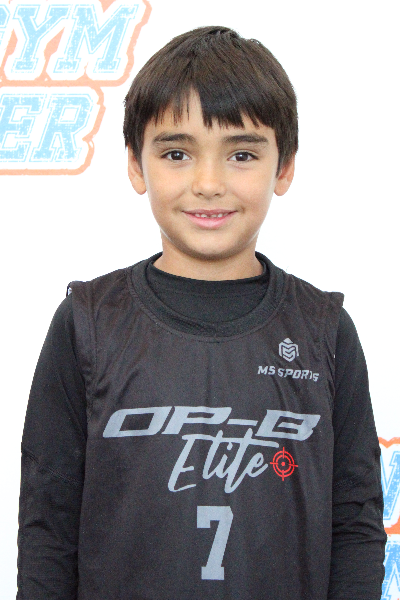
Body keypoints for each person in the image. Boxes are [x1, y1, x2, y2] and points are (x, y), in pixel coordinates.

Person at [17, 25, 386, 600]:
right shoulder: (87, 323)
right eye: (176, 153)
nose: (208, 184)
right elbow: (48, 525)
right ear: (136, 165)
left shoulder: (324, 331)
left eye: (241, 154)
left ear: (284, 168)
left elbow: (355, 524)